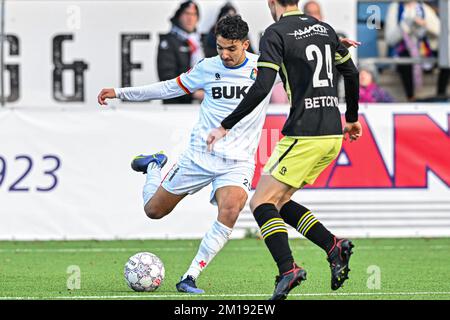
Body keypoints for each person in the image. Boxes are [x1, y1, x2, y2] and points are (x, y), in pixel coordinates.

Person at [98, 15, 274, 294]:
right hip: (200, 156)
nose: (225, 55)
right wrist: (120, 93)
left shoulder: (263, 69)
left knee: (231, 209)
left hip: (238, 161)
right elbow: (168, 87)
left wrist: (336, 49)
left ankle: (189, 277)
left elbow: (304, 63)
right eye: (220, 48)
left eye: (231, 48)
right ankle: (154, 166)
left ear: (245, 44)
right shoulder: (207, 67)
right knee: (154, 211)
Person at [207, 0, 361, 300]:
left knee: (260, 204)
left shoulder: (275, 33)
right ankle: (333, 246)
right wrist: (352, 119)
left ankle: (288, 268)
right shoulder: (324, 29)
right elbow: (351, 73)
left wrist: (226, 124)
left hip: (305, 133)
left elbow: (263, 85)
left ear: (271, 3)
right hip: (331, 133)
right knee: (279, 200)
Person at [385, 0, 440, 101]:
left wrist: (425, 25)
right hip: (401, 51)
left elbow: (439, 31)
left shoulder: (424, 8)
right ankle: (411, 97)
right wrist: (406, 25)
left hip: (424, 51)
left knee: (445, 56)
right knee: (405, 58)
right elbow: (390, 39)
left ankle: (441, 96)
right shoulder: (395, 8)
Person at [157, 1, 204, 104]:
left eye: (194, 14)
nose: (190, 18)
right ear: (179, 16)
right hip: (176, 106)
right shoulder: (168, 41)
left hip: (202, 106)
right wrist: (193, 94)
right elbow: (168, 78)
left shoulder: (200, 41)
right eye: (187, 13)